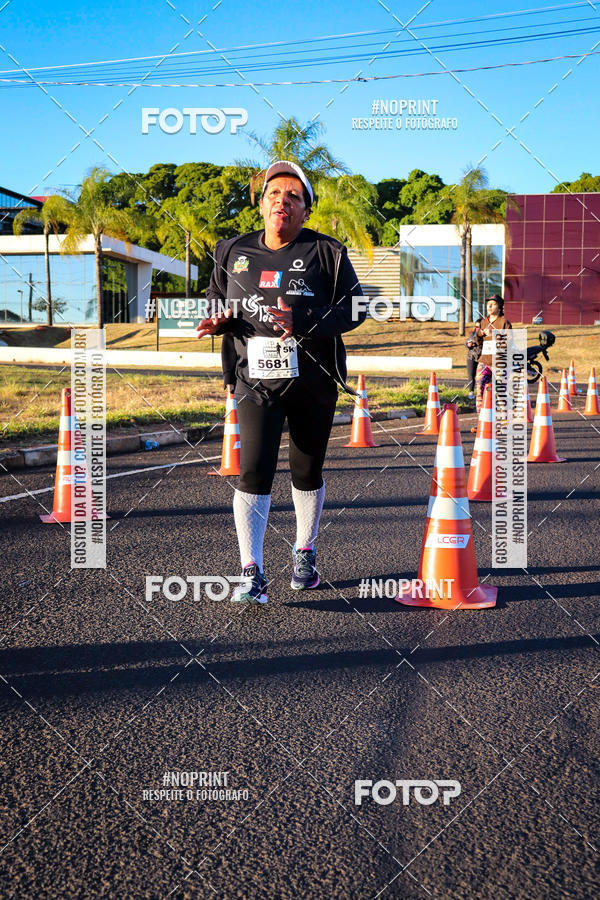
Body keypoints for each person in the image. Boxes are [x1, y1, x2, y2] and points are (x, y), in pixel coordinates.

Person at [196, 160, 366, 604]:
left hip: (314, 381)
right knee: (253, 472)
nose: (282, 201)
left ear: (306, 209)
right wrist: (218, 319)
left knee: (306, 471)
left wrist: (306, 319)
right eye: (274, 193)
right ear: (261, 204)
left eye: (293, 196)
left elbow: (357, 310)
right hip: (254, 382)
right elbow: (217, 298)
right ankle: (251, 571)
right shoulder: (230, 251)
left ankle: (304, 552)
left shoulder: (328, 252)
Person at [474, 295, 512, 415]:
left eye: (493, 304)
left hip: (500, 361)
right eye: (488, 304)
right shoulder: (483, 322)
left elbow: (509, 341)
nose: (489, 306)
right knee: (480, 389)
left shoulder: (504, 322)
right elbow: (478, 342)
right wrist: (479, 334)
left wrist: (494, 333)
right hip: (484, 361)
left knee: (500, 392)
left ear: (499, 307)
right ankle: (482, 420)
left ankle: (503, 421)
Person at [465, 317, 482, 400]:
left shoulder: (486, 335)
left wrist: (475, 342)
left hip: (482, 358)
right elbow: (467, 342)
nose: (477, 328)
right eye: (476, 326)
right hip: (471, 357)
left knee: (482, 376)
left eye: (479, 326)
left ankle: (481, 393)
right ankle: (471, 392)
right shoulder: (472, 334)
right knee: (471, 376)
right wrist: (468, 344)